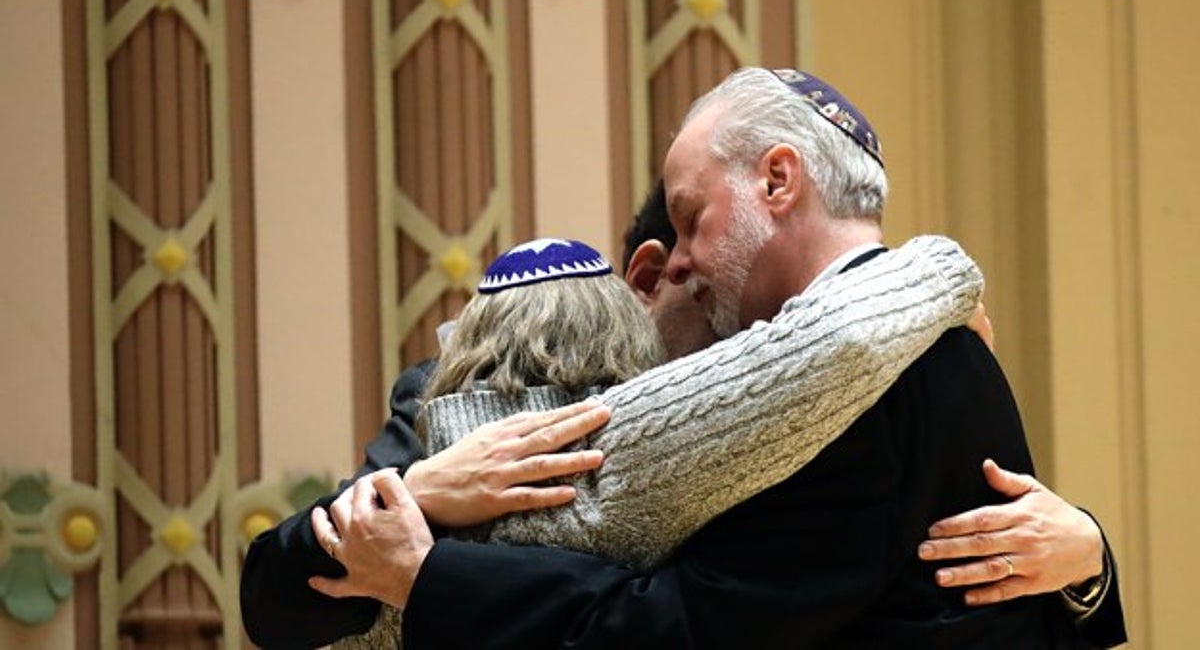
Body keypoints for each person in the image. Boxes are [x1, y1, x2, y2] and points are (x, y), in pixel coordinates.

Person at [283, 68, 1126, 648]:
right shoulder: (948, 344)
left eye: (691, 219)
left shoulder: (858, 376)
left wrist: (427, 578)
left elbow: (680, 627)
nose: (676, 261)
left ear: (778, 181)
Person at [321, 233, 981, 648]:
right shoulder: (623, 436)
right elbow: (816, 356)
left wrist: (412, 499)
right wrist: (944, 271)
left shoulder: (390, 515)